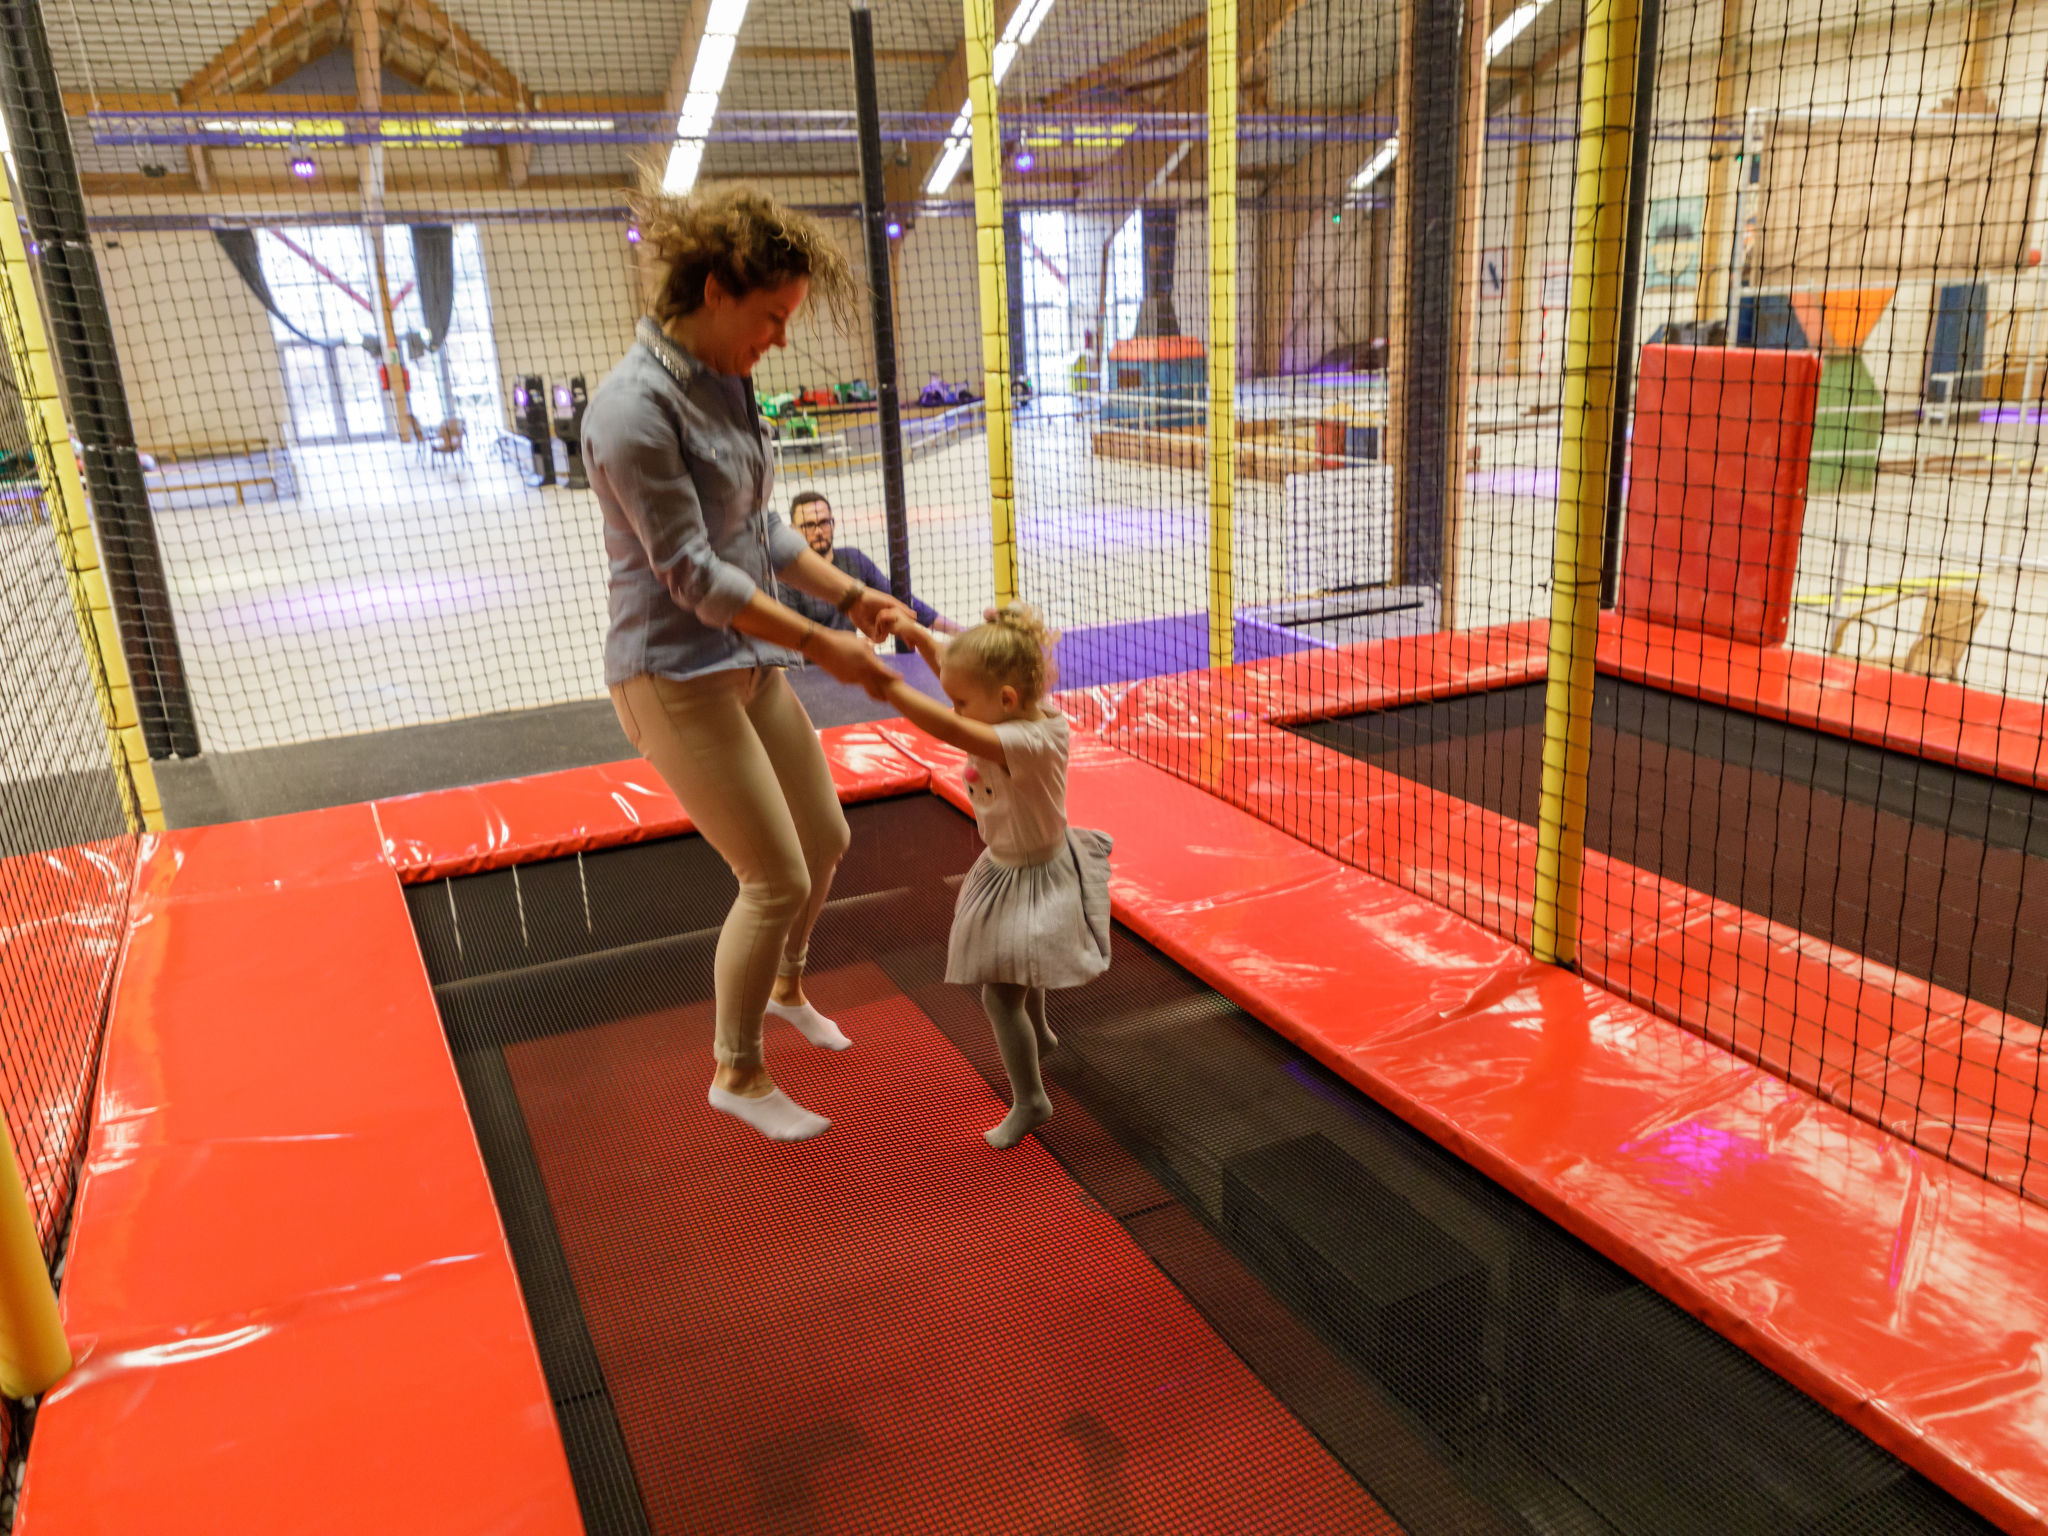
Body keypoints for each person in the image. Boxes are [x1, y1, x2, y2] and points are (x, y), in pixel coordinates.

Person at [582, 182, 915, 1144]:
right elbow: (690, 572)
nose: (776, 340)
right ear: (720, 287)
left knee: (826, 841)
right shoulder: (632, 411)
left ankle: (785, 990)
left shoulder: (724, 376)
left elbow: (760, 524)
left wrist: (850, 595)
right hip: (672, 673)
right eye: (770, 318)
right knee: (770, 876)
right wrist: (826, 646)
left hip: (748, 654)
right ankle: (735, 1071)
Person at [876, 603, 1113, 1148]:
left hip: (1035, 873)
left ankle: (1031, 1099)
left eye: (962, 701)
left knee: (999, 996)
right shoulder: (1020, 709)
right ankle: (1043, 1036)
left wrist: (882, 684)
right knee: (1016, 960)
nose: (953, 704)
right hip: (1011, 864)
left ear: (1005, 701)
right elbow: (956, 671)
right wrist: (916, 633)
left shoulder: (1026, 743)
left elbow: (943, 724)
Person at [782, 490, 961, 635]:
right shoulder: (788, 576)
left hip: (852, 666)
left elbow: (900, 600)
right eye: (809, 525)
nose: (819, 531)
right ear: (793, 530)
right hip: (808, 673)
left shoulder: (854, 560)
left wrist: (959, 632)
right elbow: (792, 636)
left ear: (833, 524)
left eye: (824, 522)